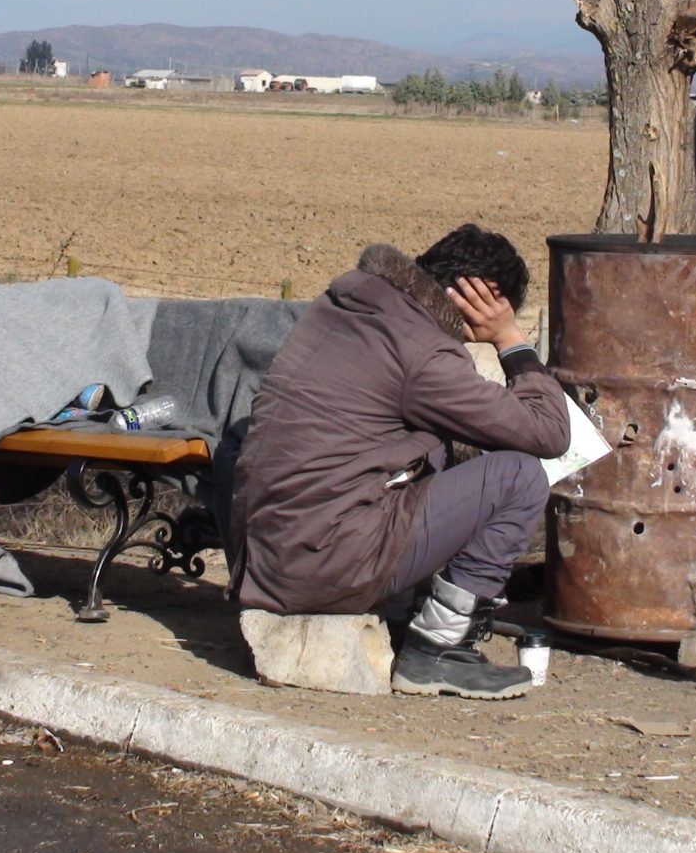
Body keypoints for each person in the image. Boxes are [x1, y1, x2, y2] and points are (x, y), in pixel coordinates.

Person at [226, 225, 570, 700]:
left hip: (267, 556)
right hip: (319, 562)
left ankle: (412, 615)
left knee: (432, 453)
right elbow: (549, 432)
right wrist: (511, 339)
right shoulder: (420, 349)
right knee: (519, 477)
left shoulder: (344, 308)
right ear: (481, 298)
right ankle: (439, 650)